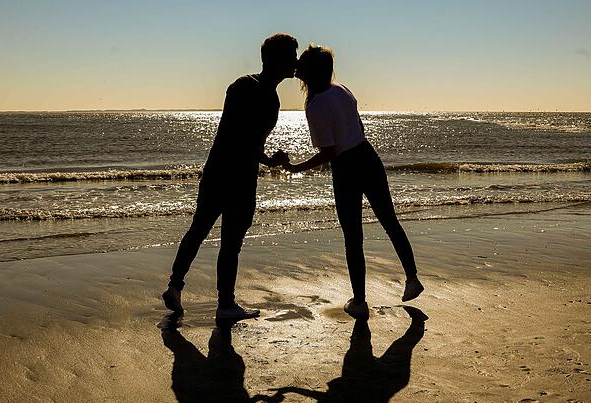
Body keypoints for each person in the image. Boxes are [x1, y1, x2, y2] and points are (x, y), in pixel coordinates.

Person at [281, 44, 425, 320]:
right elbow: (359, 127)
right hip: (368, 156)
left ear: (309, 71)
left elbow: (329, 152)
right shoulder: (342, 89)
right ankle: (412, 278)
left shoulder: (315, 104)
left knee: (353, 236)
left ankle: (359, 301)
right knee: (389, 221)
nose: (296, 65)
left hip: (346, 167)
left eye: (301, 63)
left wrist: (298, 168)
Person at [162, 33, 298, 320]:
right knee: (217, 238)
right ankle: (213, 301)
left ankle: (198, 294)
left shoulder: (266, 95)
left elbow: (248, 140)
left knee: (208, 233)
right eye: (291, 56)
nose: (295, 61)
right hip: (232, 175)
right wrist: (262, 157)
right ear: (276, 59)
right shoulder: (245, 87)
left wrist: (269, 160)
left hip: (230, 172)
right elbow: (238, 136)